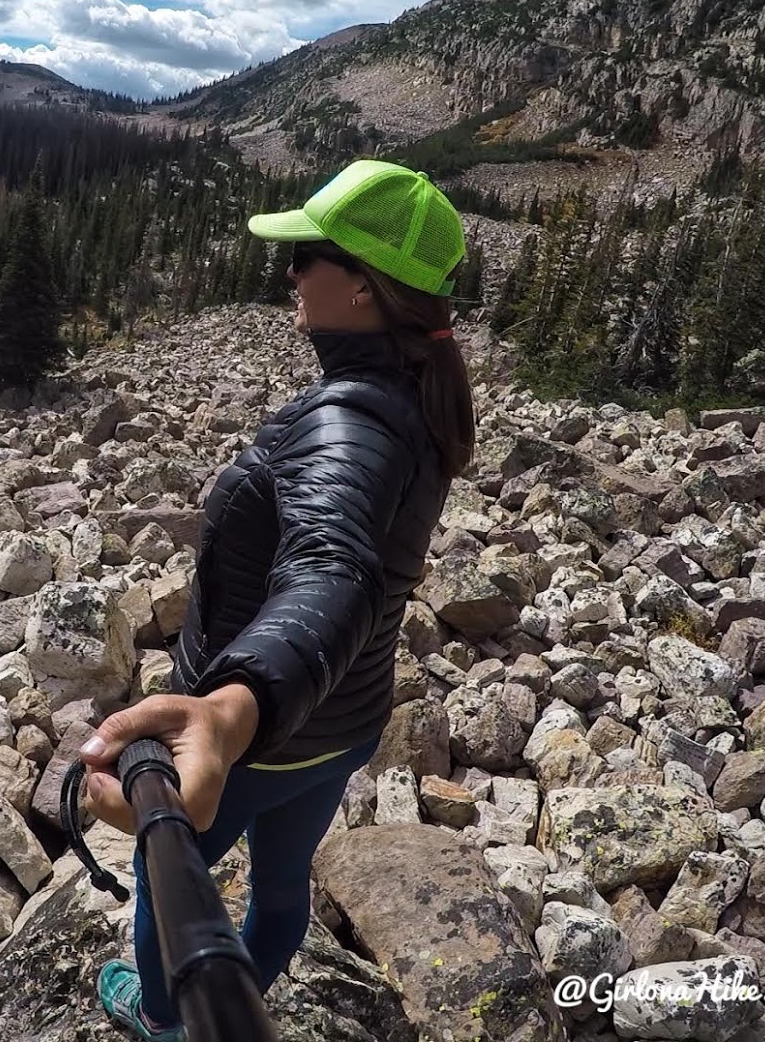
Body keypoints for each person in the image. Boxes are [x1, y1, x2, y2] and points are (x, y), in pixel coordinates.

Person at [82, 159, 477, 1041]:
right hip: (345, 718)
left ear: (367, 289)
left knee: (165, 873)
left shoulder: (349, 421)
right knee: (283, 879)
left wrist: (230, 709)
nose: (288, 271)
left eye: (306, 254)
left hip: (270, 730)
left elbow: (332, 569)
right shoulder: (414, 390)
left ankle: (161, 1018)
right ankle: (246, 985)